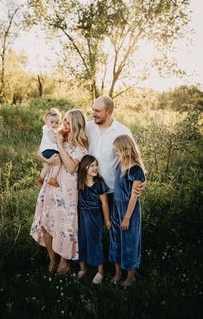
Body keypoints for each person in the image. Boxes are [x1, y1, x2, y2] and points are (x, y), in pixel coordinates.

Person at [30, 109, 88, 275]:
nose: (65, 125)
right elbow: (39, 152)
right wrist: (47, 160)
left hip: (67, 192)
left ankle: (64, 261)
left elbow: (71, 166)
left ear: (77, 125)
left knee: (65, 227)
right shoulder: (56, 134)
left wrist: (60, 146)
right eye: (65, 121)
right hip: (51, 186)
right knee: (47, 225)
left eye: (69, 123)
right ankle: (52, 259)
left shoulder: (81, 146)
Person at [87, 95, 144, 211]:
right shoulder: (87, 127)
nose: (93, 114)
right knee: (91, 227)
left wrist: (142, 181)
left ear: (109, 111)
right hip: (88, 189)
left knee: (113, 227)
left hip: (113, 191)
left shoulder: (122, 131)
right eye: (93, 110)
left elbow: (134, 158)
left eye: (97, 111)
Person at [109, 134, 146, 287]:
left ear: (125, 149)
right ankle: (118, 273)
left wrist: (127, 218)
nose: (115, 153)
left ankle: (131, 276)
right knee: (115, 240)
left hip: (129, 211)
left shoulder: (136, 170)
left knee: (130, 242)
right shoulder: (120, 165)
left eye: (117, 150)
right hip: (116, 208)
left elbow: (134, 197)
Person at [77, 155, 111, 285]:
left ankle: (100, 271)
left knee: (95, 242)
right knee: (82, 240)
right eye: (91, 165)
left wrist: (107, 220)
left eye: (96, 165)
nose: (95, 168)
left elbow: (104, 204)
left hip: (94, 216)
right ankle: (82, 268)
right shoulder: (79, 182)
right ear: (84, 167)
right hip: (81, 216)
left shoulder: (99, 183)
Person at [37, 108, 62, 187]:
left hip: (44, 151)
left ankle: (41, 178)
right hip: (50, 150)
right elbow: (53, 140)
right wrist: (59, 139)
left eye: (57, 122)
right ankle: (53, 179)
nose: (54, 124)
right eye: (52, 122)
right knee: (57, 164)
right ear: (46, 122)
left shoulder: (46, 129)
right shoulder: (50, 130)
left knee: (46, 166)